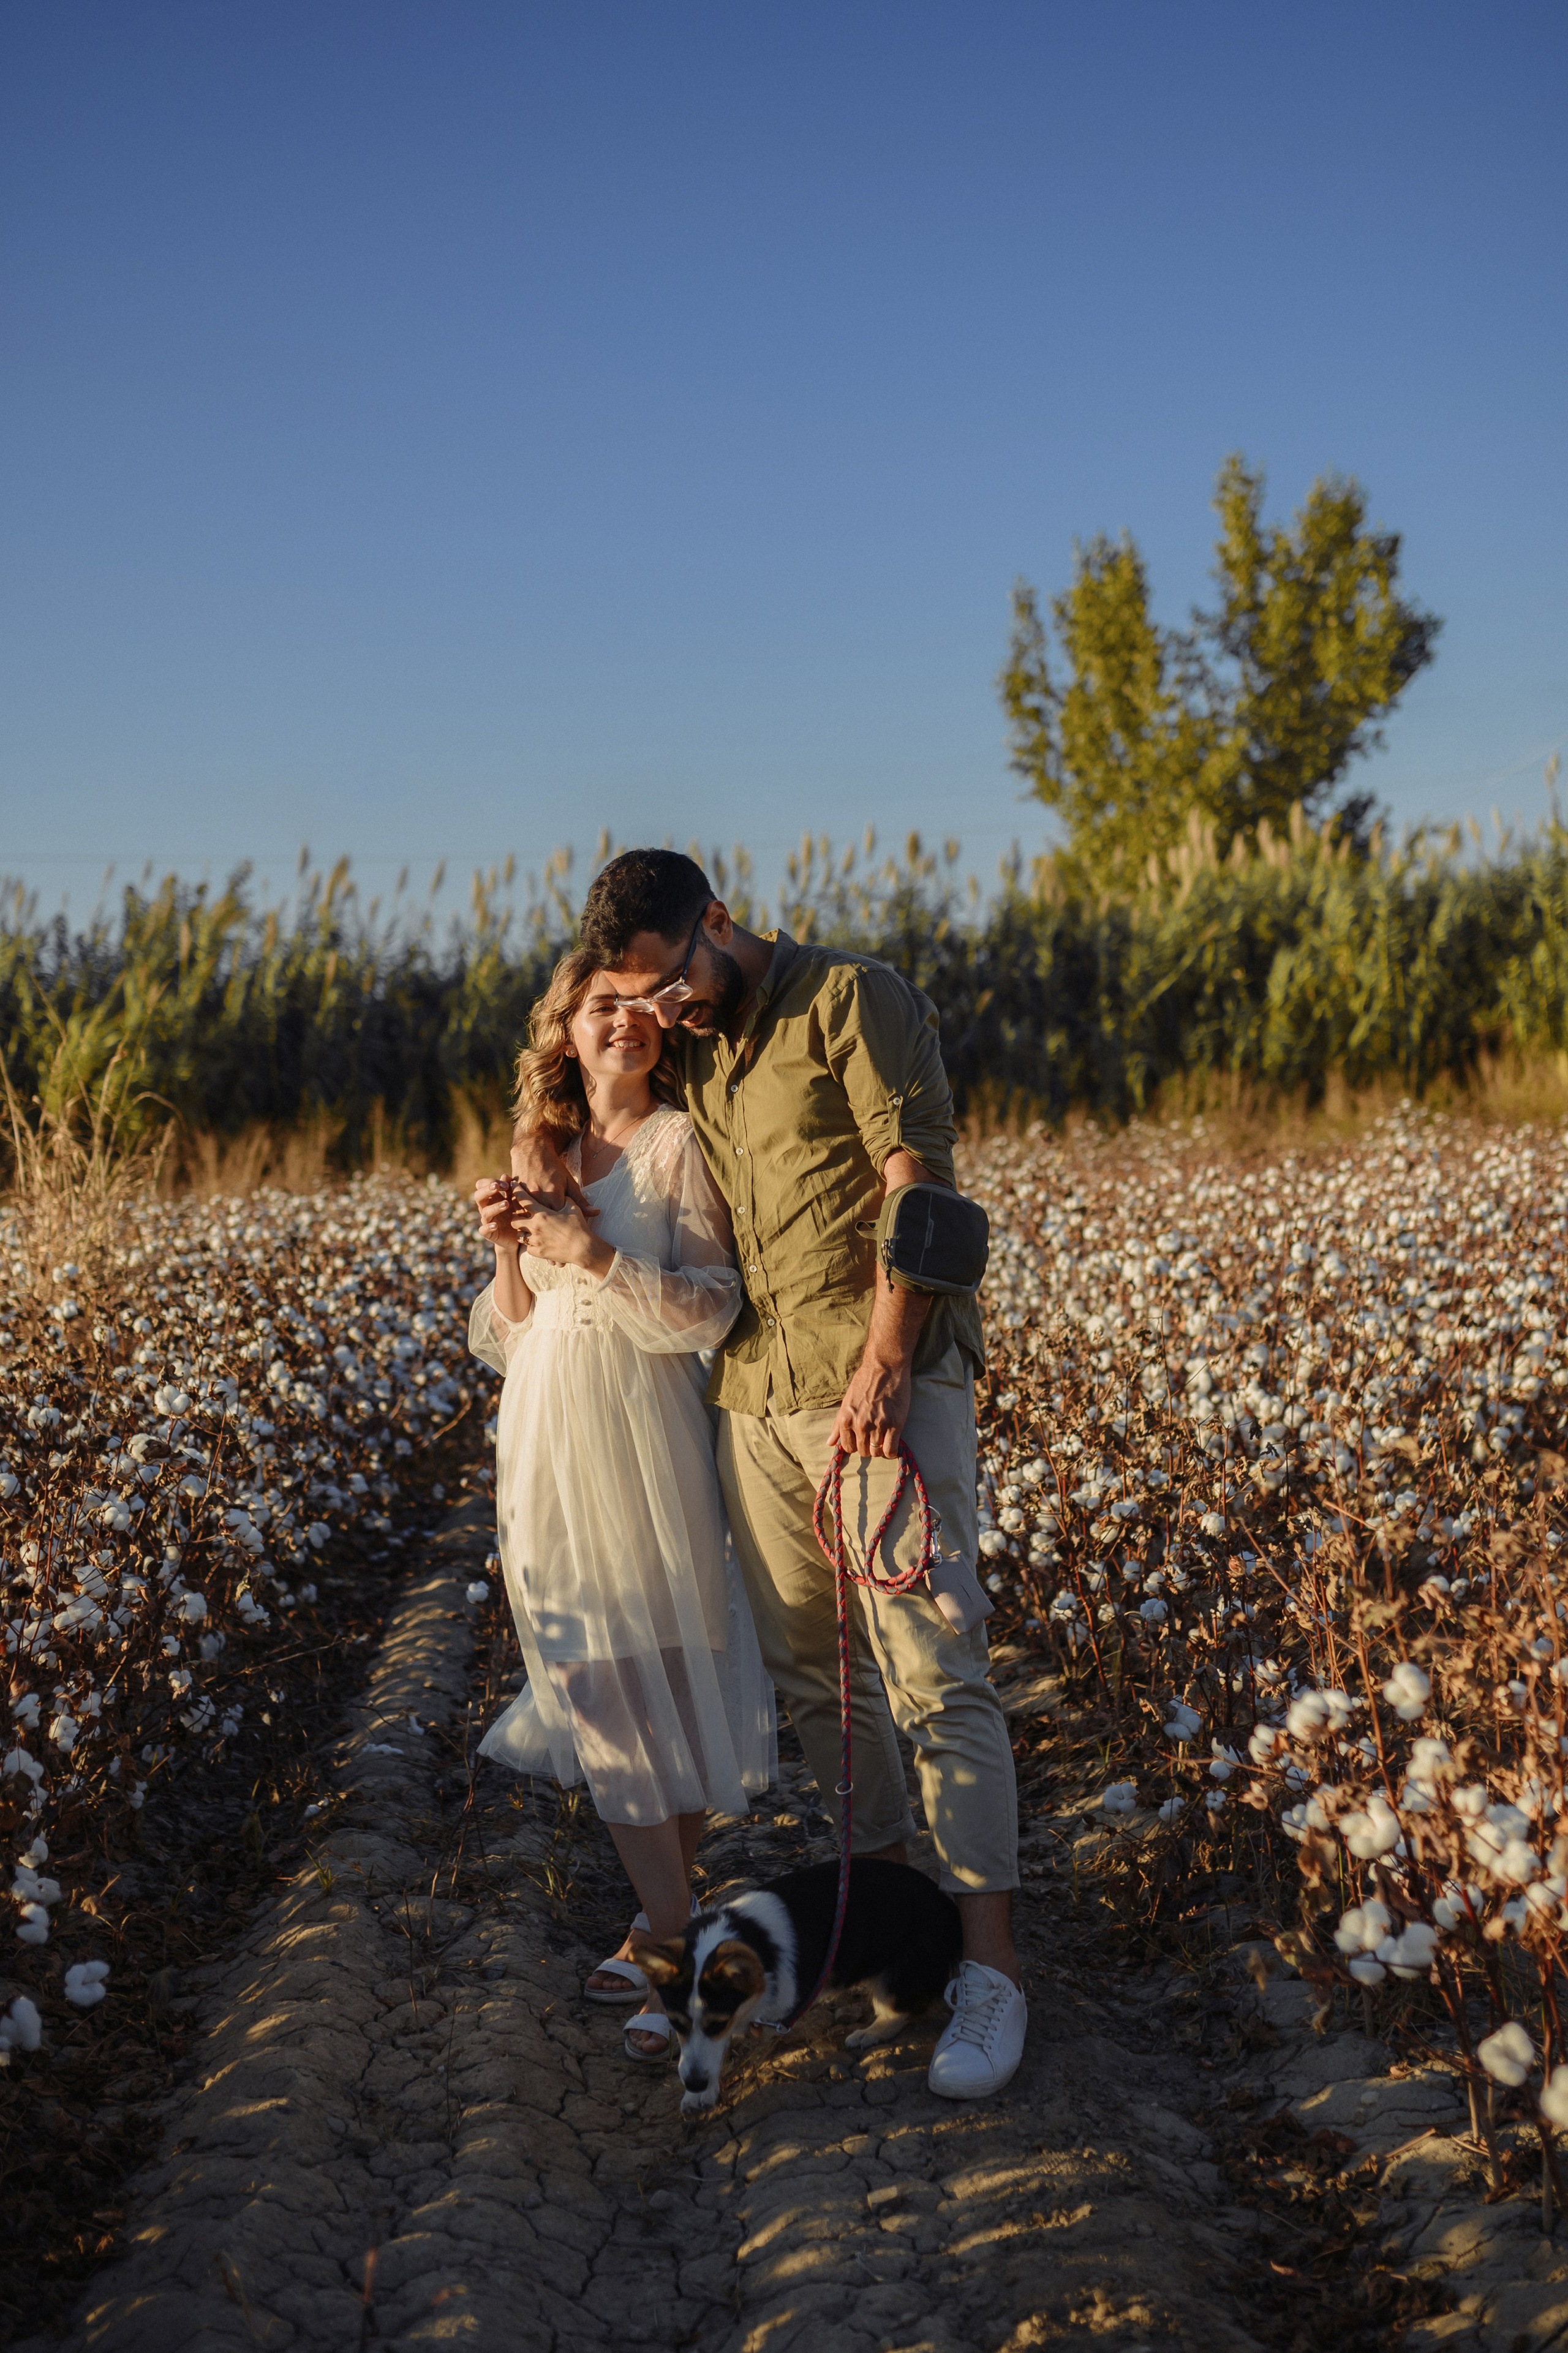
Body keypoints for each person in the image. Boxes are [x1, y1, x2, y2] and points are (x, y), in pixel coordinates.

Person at [508, 850, 1027, 2100]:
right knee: (822, 1692)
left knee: (933, 1674)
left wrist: (890, 1366)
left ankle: (992, 1974)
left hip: (884, 1386)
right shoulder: (694, 1047)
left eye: (669, 983)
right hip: (751, 1402)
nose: (660, 1014)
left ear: (718, 926)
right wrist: (532, 1149)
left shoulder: (855, 999)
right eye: (634, 995)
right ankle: (898, 1934)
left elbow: (925, 1189)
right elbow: (588, 1102)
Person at [469, 946, 775, 2066]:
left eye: (644, 1006)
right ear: (566, 1028)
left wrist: (591, 1252)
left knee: (667, 1674)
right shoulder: (536, 1147)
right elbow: (510, 1330)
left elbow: (709, 1307)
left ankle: (669, 1940)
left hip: (650, 1429)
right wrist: (510, 1249)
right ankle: (675, 1932)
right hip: (549, 1432)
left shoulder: (679, 1144)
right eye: (603, 1006)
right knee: (591, 1681)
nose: (626, 1021)